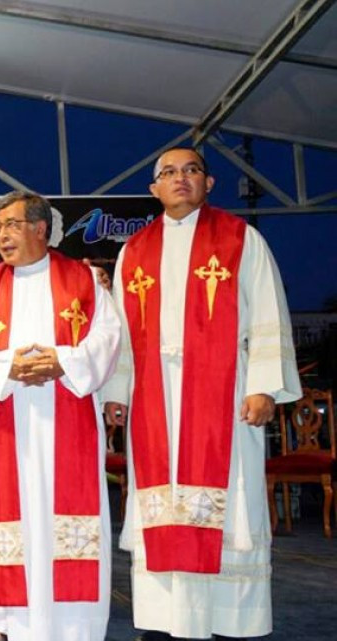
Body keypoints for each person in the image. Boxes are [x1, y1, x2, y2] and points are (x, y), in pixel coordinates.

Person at [101, 147, 301, 641]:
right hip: (155, 398)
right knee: (161, 504)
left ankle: (232, 619)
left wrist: (263, 387)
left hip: (224, 392)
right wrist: (117, 390)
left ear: (208, 183)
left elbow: (267, 314)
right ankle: (166, 620)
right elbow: (123, 330)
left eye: (191, 170)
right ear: (154, 189)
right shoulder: (135, 251)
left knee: (232, 504)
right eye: (168, 172)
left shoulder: (240, 239)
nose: (180, 178)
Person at [0, 191, 119, 641]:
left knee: (67, 523)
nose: (0, 236)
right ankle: (13, 624)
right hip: (8, 422)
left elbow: (107, 337)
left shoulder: (82, 281)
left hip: (66, 418)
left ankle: (75, 628)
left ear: (40, 229)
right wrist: (10, 368)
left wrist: (63, 361)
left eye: (10, 225)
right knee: (12, 521)